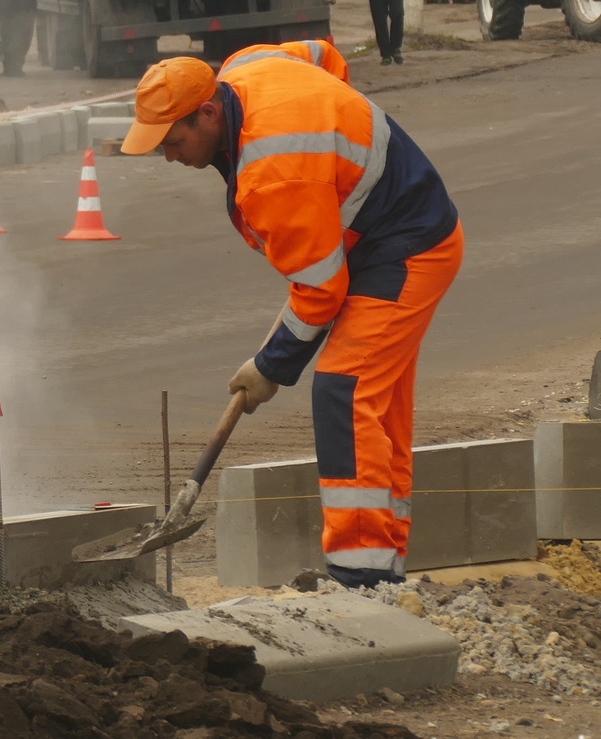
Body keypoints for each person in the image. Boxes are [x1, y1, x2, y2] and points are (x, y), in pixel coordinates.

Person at [120, 42, 461, 588]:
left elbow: (321, 293)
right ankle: (385, 567)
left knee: (344, 392)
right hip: (376, 237)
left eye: (174, 141)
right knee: (379, 405)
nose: (170, 157)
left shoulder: (272, 174)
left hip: (407, 247)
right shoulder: (244, 66)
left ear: (208, 112)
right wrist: (335, 144)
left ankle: (361, 578)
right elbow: (324, 58)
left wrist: (270, 366)